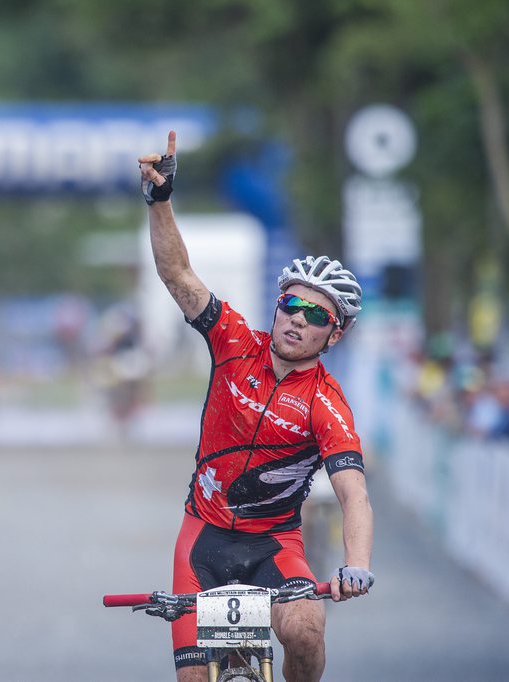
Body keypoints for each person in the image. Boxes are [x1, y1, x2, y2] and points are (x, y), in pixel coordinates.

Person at [139, 132, 374, 682]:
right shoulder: (233, 340)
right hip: (204, 540)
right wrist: (160, 201)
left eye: (315, 316)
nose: (297, 319)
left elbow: (353, 494)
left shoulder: (326, 403)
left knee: (306, 630)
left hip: (275, 545)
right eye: (291, 303)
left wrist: (356, 566)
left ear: (332, 336)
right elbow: (178, 276)